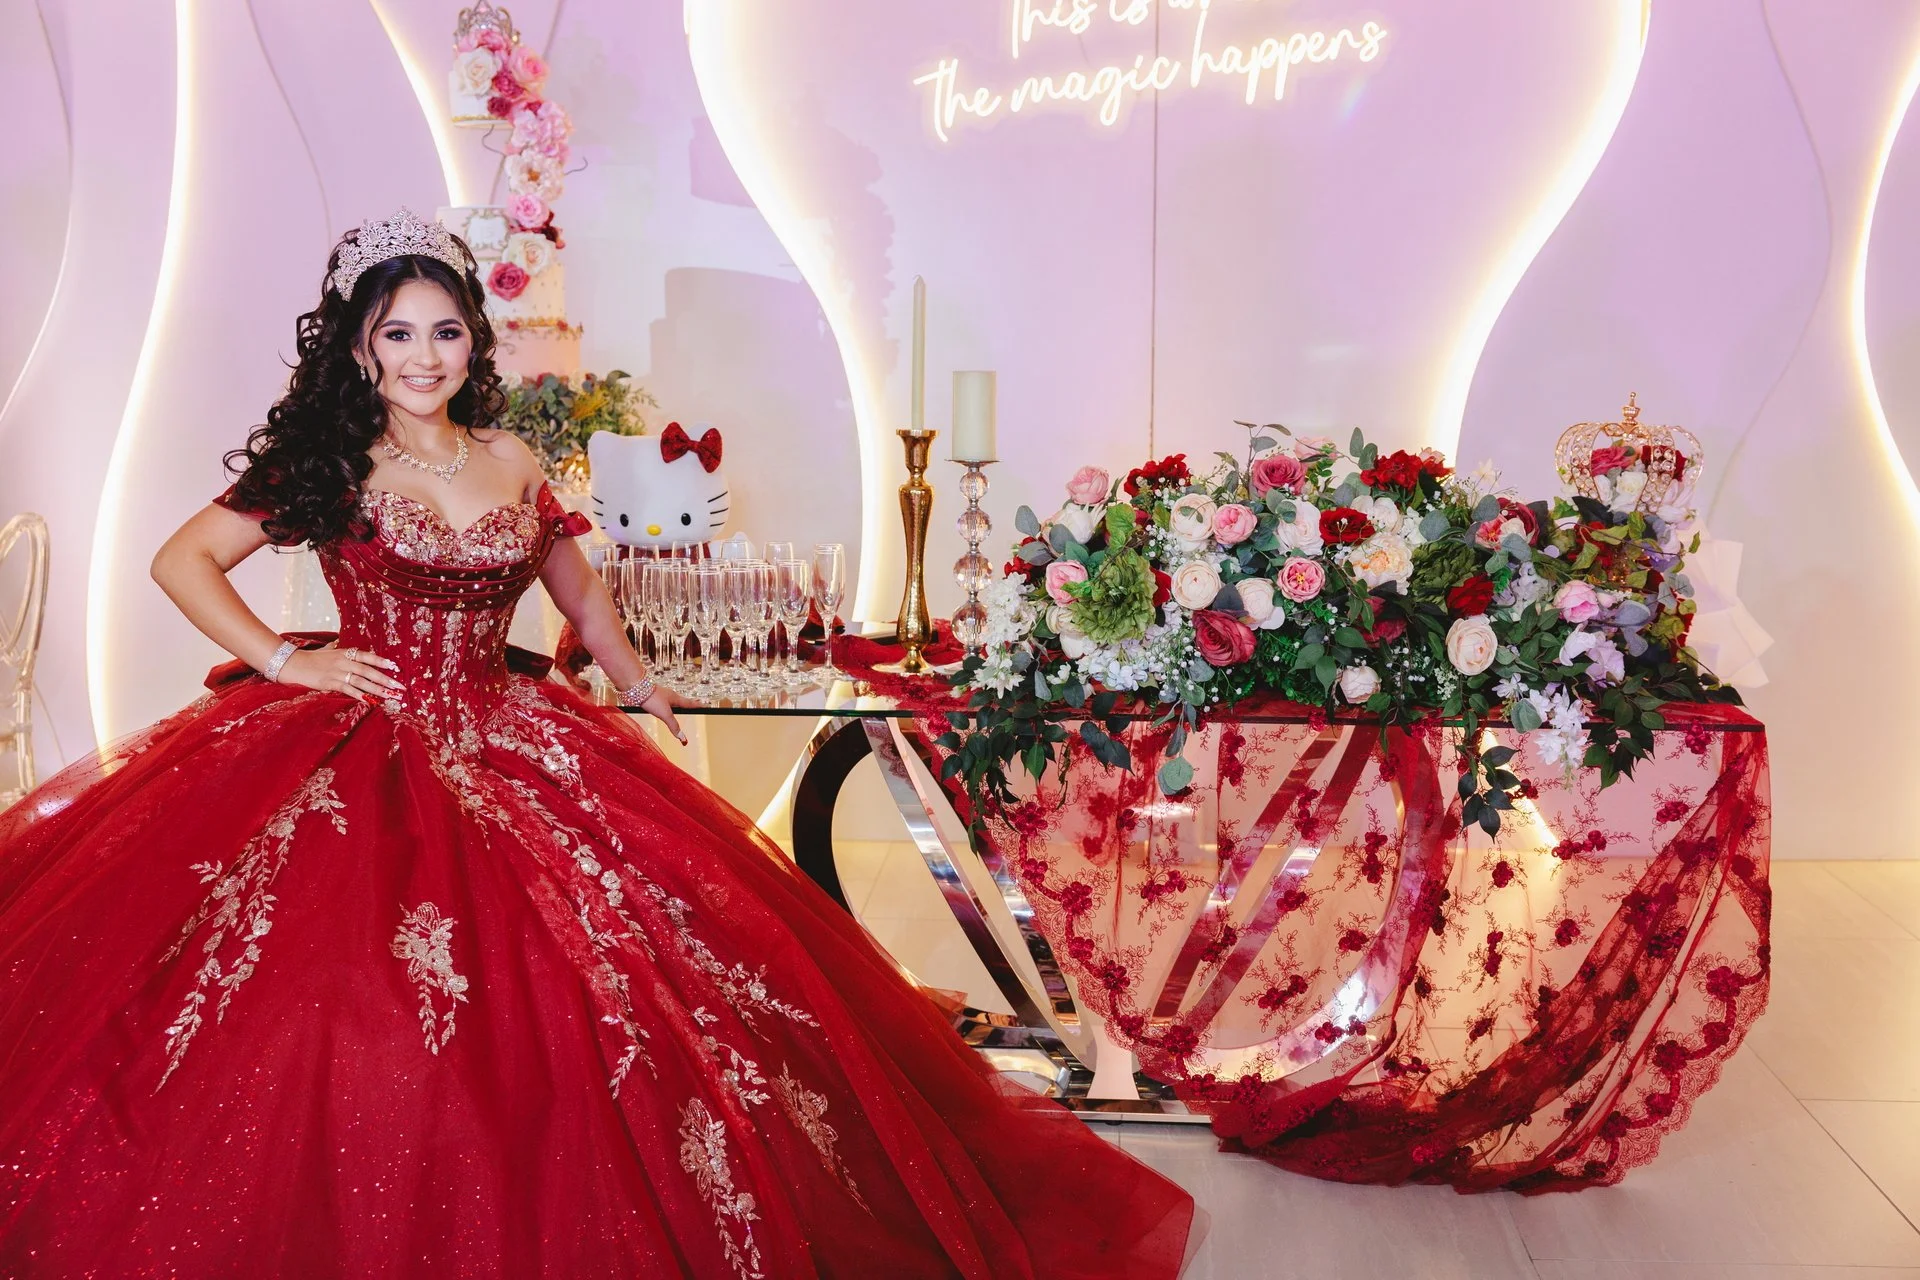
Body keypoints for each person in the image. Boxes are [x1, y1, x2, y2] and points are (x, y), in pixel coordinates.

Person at [0, 210, 1194, 1278]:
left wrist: (631, 676)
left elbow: (575, 582)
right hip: (363, 745)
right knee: (354, 1008)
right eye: (399, 335)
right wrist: (285, 657)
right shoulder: (330, 461)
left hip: (516, 730)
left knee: (642, 990)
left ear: (475, 341)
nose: (426, 356)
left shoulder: (514, 457)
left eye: (447, 332)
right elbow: (181, 559)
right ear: (361, 349)